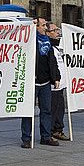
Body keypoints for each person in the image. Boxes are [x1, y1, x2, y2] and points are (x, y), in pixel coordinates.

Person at [21, 17, 60, 148]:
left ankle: (46, 136)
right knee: (28, 111)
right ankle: (26, 138)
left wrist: (56, 77)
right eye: (42, 25)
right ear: (36, 27)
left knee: (46, 110)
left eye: (45, 25)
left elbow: (52, 61)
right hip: (32, 81)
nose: (45, 27)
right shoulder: (29, 40)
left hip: (45, 82)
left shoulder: (48, 42)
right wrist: (28, 25)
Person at [47, 23, 70, 141]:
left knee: (60, 108)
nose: (58, 32)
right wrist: (55, 78)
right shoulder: (48, 47)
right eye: (55, 30)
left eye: (58, 30)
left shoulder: (58, 46)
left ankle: (58, 129)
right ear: (48, 33)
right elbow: (51, 64)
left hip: (61, 84)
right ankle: (50, 132)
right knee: (53, 108)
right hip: (54, 84)